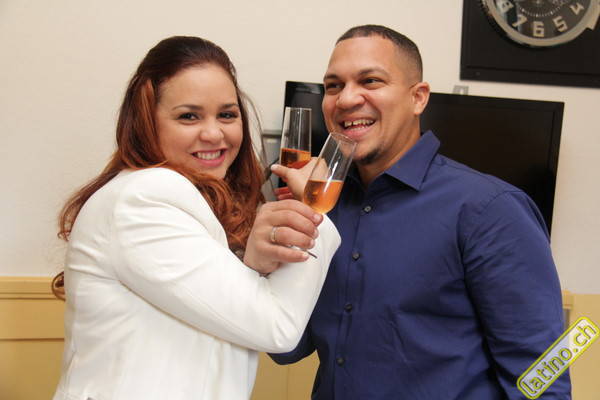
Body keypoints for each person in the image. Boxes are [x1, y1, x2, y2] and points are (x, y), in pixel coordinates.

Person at [270, 25, 570, 399]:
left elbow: (544, 377)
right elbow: (287, 347)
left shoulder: (491, 210)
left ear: (418, 98)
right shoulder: (324, 207)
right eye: (333, 86)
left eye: (370, 80)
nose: (345, 99)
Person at [51, 36, 340, 400]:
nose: (213, 133)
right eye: (189, 116)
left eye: (227, 115)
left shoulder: (196, 202)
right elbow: (276, 326)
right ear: (146, 122)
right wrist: (313, 207)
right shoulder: (143, 198)